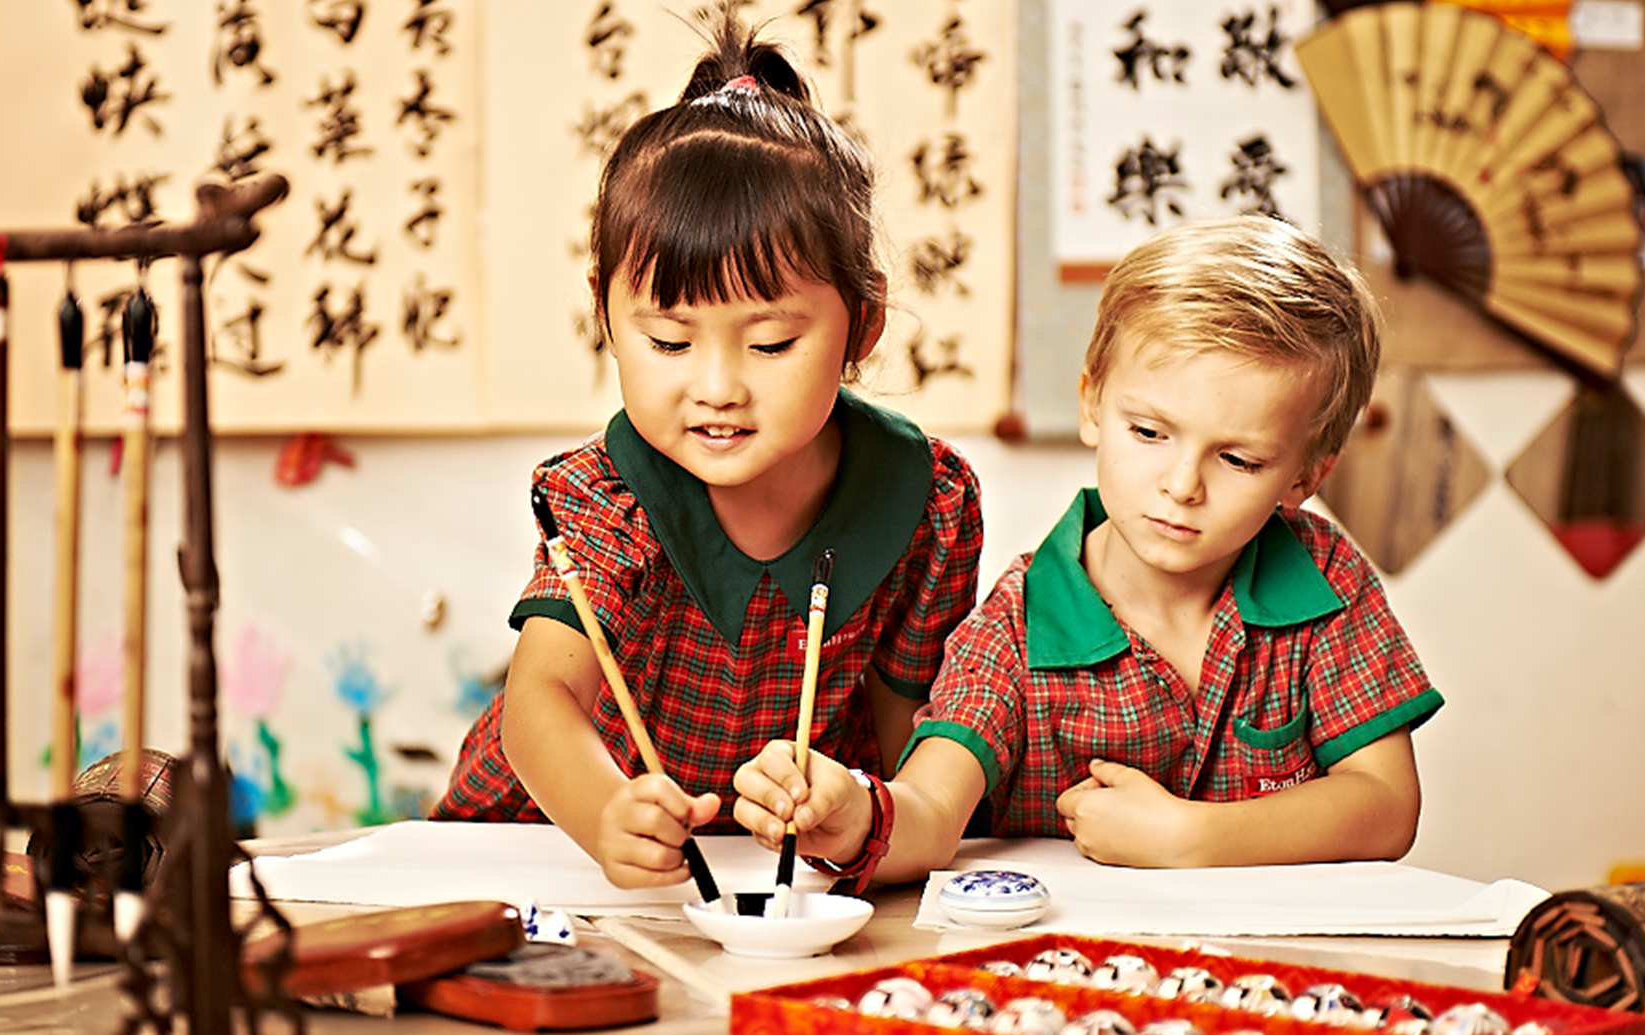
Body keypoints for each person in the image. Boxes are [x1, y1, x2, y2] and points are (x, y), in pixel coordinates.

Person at [432, 15, 984, 893]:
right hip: (557, 845)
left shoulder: (928, 498)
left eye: (769, 344)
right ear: (605, 314)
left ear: (863, 324)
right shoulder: (608, 494)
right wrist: (605, 810)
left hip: (782, 873)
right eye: (669, 341)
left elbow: (907, 738)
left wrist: (866, 814)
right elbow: (541, 703)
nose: (718, 386)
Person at [735, 216, 1444, 886]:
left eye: (1238, 458)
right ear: (1091, 403)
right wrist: (856, 812)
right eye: (1148, 432)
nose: (1181, 485)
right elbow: (930, 811)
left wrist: (1186, 836)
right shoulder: (1015, 627)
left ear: (1306, 476)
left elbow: (1385, 805)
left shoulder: (1324, 575)